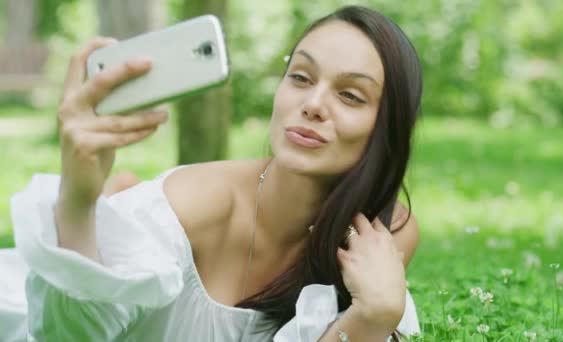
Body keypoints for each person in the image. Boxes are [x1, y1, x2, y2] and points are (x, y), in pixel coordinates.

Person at [1, 5, 422, 341]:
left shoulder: (383, 230)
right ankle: (111, 209)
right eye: (300, 76)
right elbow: (68, 336)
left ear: (388, 128)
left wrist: (373, 316)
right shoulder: (193, 207)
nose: (313, 103)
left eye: (350, 95)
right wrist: (78, 203)